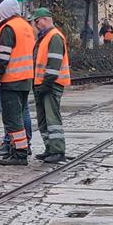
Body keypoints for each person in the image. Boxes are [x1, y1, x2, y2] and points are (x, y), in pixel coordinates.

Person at [0, 0, 35, 166]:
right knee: (22, 113)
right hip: (26, 78)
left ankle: (19, 153)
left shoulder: (8, 28)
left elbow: (3, 57)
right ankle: (21, 148)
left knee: (12, 118)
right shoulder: (26, 26)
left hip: (11, 79)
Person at [31, 8, 71, 163]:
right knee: (44, 119)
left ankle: (57, 150)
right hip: (43, 84)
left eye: (37, 21)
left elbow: (54, 64)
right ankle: (50, 148)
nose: (36, 25)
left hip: (50, 85)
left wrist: (45, 84)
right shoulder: (45, 37)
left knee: (52, 118)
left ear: (46, 19)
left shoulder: (54, 37)